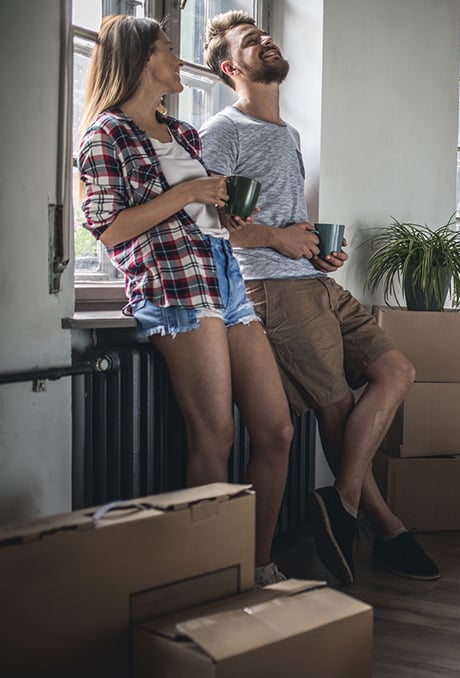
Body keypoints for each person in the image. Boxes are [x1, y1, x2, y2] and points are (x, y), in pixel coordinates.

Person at [200, 11, 439, 583]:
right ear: (232, 67)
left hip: (312, 279)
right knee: (335, 410)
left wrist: (314, 248)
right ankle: (386, 529)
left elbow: (279, 220)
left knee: (397, 371)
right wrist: (279, 240)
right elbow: (206, 222)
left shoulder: (289, 133)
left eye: (265, 32)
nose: (266, 39)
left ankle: (345, 501)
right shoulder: (221, 132)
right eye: (250, 41)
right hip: (269, 287)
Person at [77, 15, 294, 588]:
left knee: (276, 430)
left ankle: (257, 564)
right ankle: (208, 575)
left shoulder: (185, 134)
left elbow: (204, 215)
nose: (179, 60)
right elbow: (107, 228)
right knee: (215, 437)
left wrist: (222, 210)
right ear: (144, 58)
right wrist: (187, 193)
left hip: (223, 275)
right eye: (169, 49)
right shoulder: (106, 134)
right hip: (172, 286)